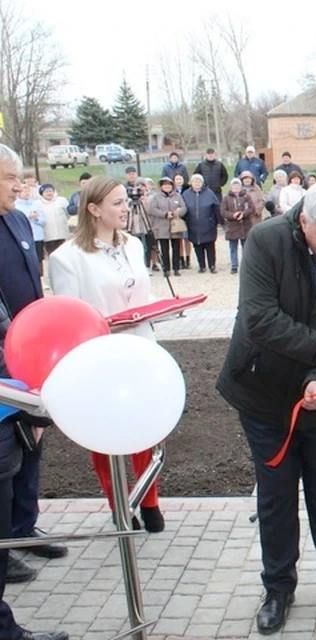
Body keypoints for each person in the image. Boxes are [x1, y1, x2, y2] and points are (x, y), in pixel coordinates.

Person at [217, 181, 316, 634]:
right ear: (304, 220)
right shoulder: (266, 241)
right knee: (276, 493)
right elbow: (261, 320)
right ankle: (278, 588)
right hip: (262, 390)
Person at [48, 175, 166, 534]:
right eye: (116, 202)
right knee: (106, 434)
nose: (125, 207)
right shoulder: (67, 258)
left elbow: (140, 293)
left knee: (145, 426)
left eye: (125, 201)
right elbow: (71, 317)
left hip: (140, 347)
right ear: (94, 209)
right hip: (99, 357)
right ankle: (119, 502)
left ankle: (150, 499)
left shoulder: (132, 244)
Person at [0, 143, 71, 640]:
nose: (18, 187)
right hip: (6, 359)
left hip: (31, 352)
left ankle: (21, 532)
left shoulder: (21, 222)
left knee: (30, 449)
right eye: (10, 179)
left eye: (20, 178)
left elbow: (32, 289)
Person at [148, 177, 186, 277]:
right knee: (164, 249)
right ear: (161, 186)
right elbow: (152, 209)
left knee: (176, 248)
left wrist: (177, 212)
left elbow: (184, 208)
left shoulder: (177, 196)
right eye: (165, 185)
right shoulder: (156, 197)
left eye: (169, 185)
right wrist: (164, 214)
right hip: (161, 226)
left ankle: (176, 268)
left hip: (175, 226)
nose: (167, 186)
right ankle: (166, 269)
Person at [183, 174, 221, 273]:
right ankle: (202, 266)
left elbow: (216, 208)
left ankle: (212, 265)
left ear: (202, 182)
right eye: (195, 181)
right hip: (193, 225)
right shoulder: (186, 194)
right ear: (191, 183)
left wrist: (218, 221)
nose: (197, 183)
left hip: (208, 224)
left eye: (199, 181)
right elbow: (183, 209)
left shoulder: (210, 193)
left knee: (210, 246)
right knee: (197, 246)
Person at [222, 178, 254, 274]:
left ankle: (246, 265)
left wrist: (243, 214)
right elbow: (223, 211)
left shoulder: (246, 196)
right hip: (232, 226)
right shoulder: (226, 198)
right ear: (231, 187)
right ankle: (234, 266)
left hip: (245, 225)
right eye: (234, 186)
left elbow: (251, 208)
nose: (236, 187)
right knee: (233, 248)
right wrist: (233, 215)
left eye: (238, 185)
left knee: (246, 247)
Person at [15, 174, 45, 277]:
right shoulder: (16, 206)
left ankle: (40, 278)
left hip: (37, 236)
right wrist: (28, 217)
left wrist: (36, 218)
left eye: (28, 190)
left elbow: (43, 221)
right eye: (24, 190)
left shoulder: (36, 204)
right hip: (24, 237)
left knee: (39, 258)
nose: (26, 192)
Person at [37, 184, 70, 258]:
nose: (49, 193)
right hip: (48, 236)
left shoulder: (61, 200)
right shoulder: (38, 204)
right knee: (53, 256)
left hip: (62, 234)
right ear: (42, 193)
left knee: (65, 255)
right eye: (46, 191)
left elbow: (68, 214)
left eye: (51, 191)